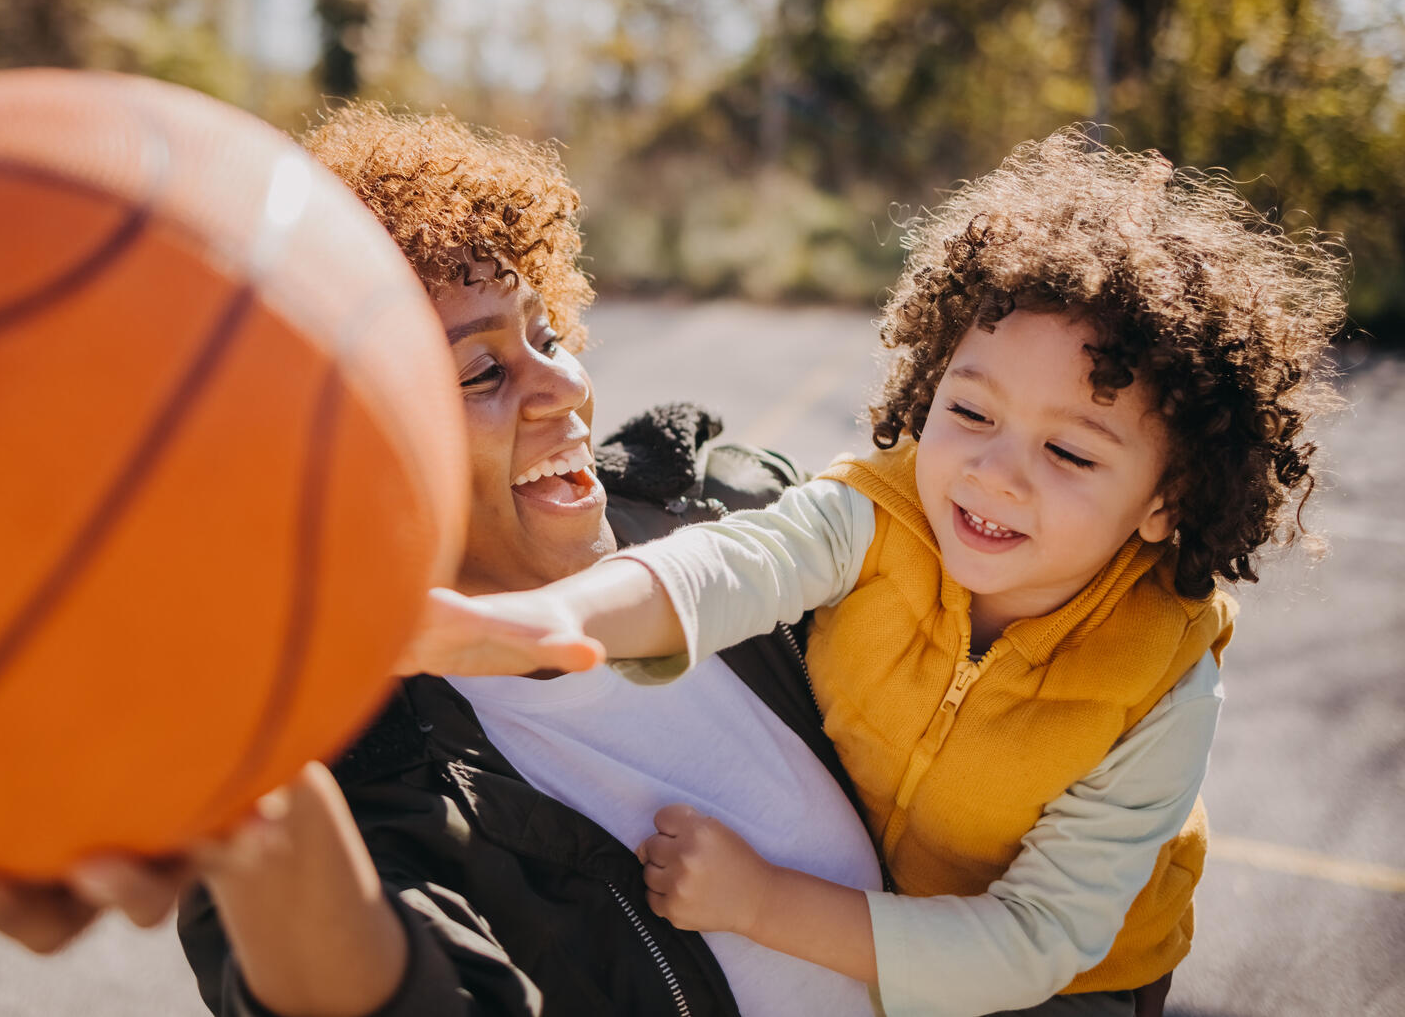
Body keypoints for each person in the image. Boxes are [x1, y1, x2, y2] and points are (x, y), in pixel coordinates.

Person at [0, 104, 886, 1017]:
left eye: (544, 332)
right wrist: (255, 801)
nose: (559, 389)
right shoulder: (359, 774)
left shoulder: (725, 502)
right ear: (357, 453)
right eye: (484, 370)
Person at [407, 129, 1348, 1017]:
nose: (994, 472)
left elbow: (1035, 940)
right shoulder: (878, 513)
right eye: (971, 412)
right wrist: (551, 620)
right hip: (904, 915)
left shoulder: (1163, 683)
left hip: (1067, 983)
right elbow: (726, 568)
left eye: (1069, 453)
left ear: (1166, 500)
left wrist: (765, 903)